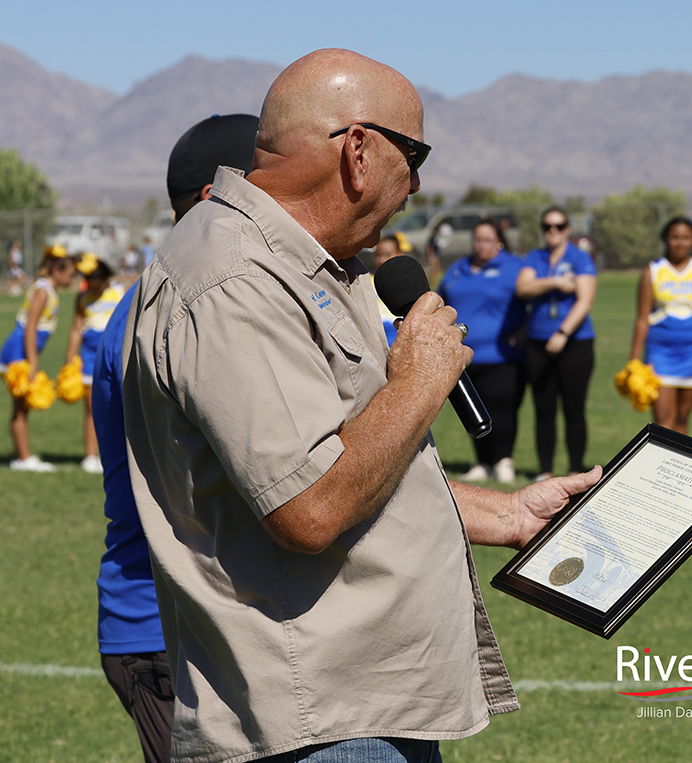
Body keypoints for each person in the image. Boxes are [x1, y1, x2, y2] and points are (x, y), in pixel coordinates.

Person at [121, 49, 601, 763]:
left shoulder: (299, 261)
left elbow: (330, 457)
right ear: (357, 150)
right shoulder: (234, 280)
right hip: (319, 723)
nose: (416, 185)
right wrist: (418, 380)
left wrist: (505, 514)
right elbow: (307, 505)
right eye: (414, 154)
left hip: (357, 707)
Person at [94, 112, 261, 763]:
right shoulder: (171, 311)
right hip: (167, 628)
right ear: (211, 201)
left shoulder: (190, 300)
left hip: (207, 620)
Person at [439, 219, 526, 484]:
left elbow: (534, 306)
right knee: (472, 408)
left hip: (502, 355)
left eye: (487, 240)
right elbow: (440, 297)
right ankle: (483, 462)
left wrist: (520, 335)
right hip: (465, 354)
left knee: (501, 408)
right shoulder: (459, 269)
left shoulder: (514, 268)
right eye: (477, 239)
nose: (481, 245)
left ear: (499, 241)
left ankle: (503, 461)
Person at [515, 206, 597, 479]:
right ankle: (545, 471)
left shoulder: (579, 258)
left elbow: (585, 300)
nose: (553, 231)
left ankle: (575, 469)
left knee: (574, 408)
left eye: (559, 226)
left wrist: (563, 333)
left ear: (568, 230)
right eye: (547, 226)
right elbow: (523, 288)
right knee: (543, 408)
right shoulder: (534, 257)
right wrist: (555, 283)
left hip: (575, 343)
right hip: (538, 343)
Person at [628, 216, 692, 435]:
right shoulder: (653, 272)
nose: (680, 243)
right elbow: (642, 319)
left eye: (686, 238)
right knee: (662, 422)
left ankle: (679, 468)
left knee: (682, 419)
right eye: (675, 237)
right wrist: (634, 361)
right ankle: (659, 469)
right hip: (661, 353)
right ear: (666, 240)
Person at [0, 245, 77, 471]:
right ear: (57, 272)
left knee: (22, 407)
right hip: (19, 352)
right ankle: (23, 459)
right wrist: (32, 362)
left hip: (24, 351)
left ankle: (19, 455)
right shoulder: (43, 290)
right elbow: (29, 326)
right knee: (20, 406)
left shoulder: (48, 289)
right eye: (70, 275)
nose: (72, 280)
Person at [64, 254, 123, 474]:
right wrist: (69, 360)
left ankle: (119, 453)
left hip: (114, 354)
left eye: (96, 284)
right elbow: (76, 329)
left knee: (118, 405)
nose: (93, 288)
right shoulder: (82, 297)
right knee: (91, 407)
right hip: (89, 357)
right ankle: (90, 456)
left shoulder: (118, 292)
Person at [372, 233, 405, 344]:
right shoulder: (367, 282)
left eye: (387, 254)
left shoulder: (408, 283)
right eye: (378, 255)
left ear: (400, 254)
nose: (381, 260)